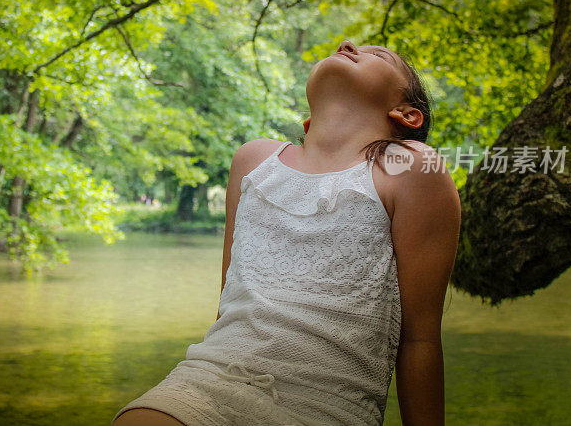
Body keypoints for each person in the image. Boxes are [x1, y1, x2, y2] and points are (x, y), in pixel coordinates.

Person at [112, 39, 461, 426]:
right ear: (309, 120)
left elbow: (420, 340)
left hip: (322, 403)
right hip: (207, 381)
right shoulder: (254, 160)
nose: (347, 43)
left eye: (378, 54)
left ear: (407, 115)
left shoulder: (409, 167)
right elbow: (229, 304)